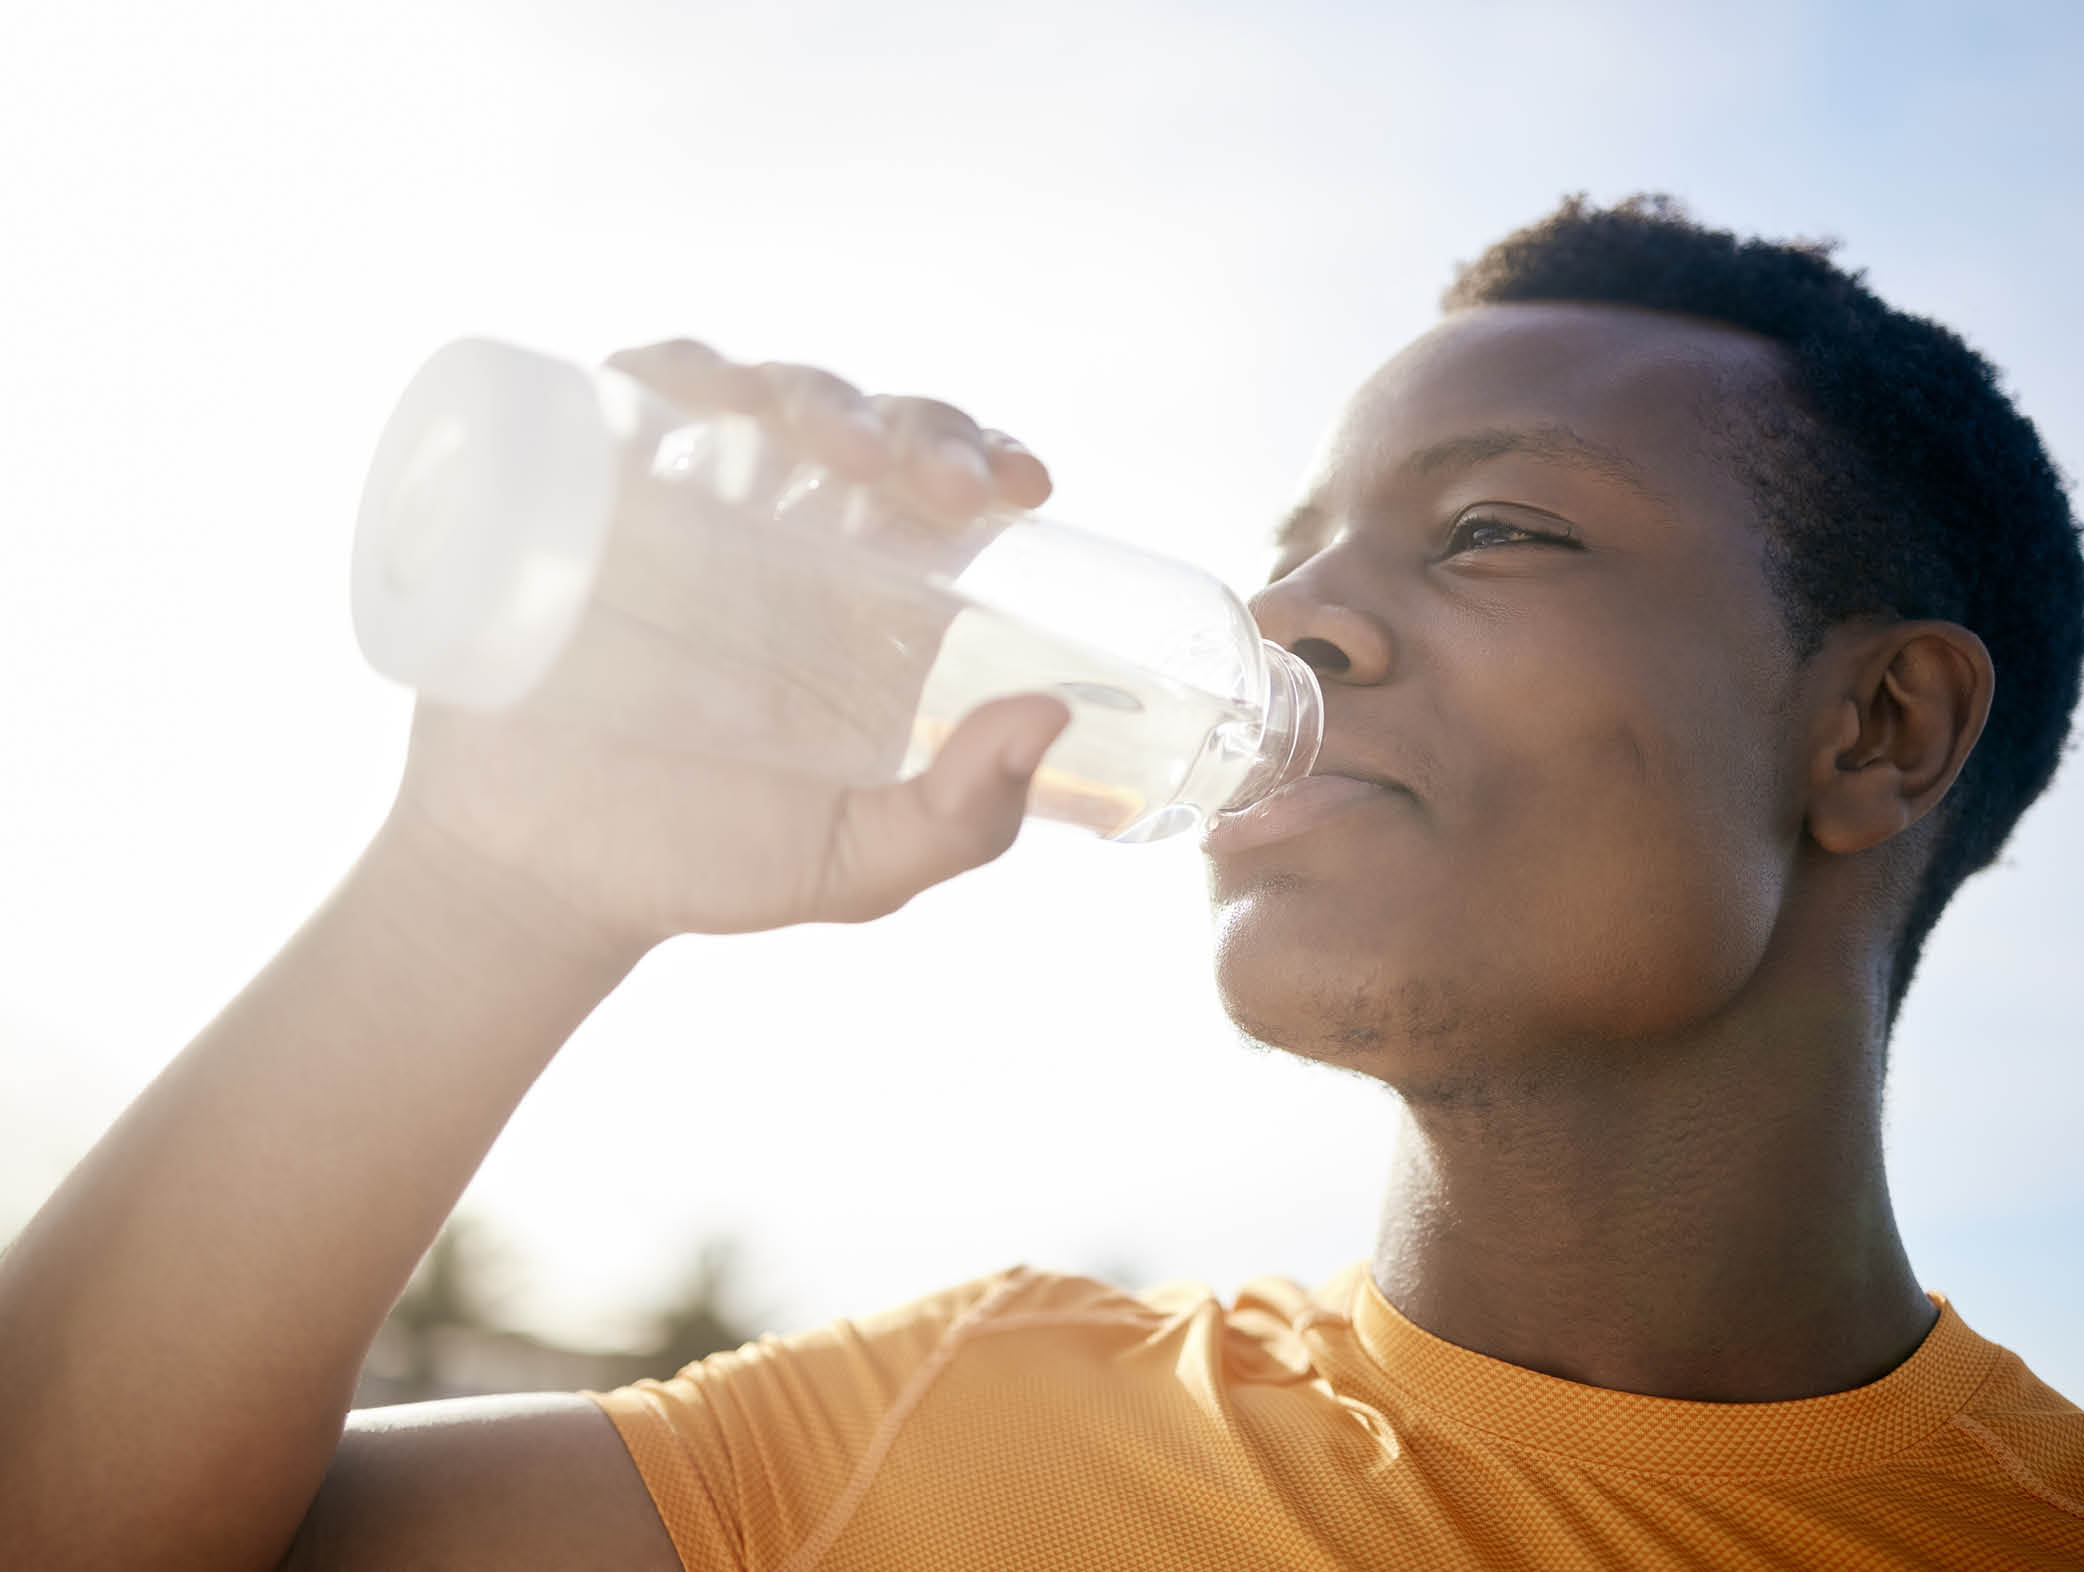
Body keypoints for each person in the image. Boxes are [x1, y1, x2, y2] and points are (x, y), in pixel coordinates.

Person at [3, 194, 2081, 1570]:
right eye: (1303, 544)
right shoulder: (946, 1437)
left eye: (1495, 532)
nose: (1299, 619)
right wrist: (483, 888)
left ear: (1878, 730)